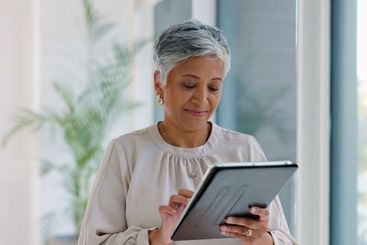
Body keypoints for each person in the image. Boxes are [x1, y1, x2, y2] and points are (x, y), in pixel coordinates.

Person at [77, 19, 298, 245]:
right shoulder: (127, 152)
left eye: (213, 87)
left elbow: (285, 240)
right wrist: (156, 238)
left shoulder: (244, 149)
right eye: (189, 85)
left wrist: (259, 238)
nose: (202, 99)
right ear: (158, 83)